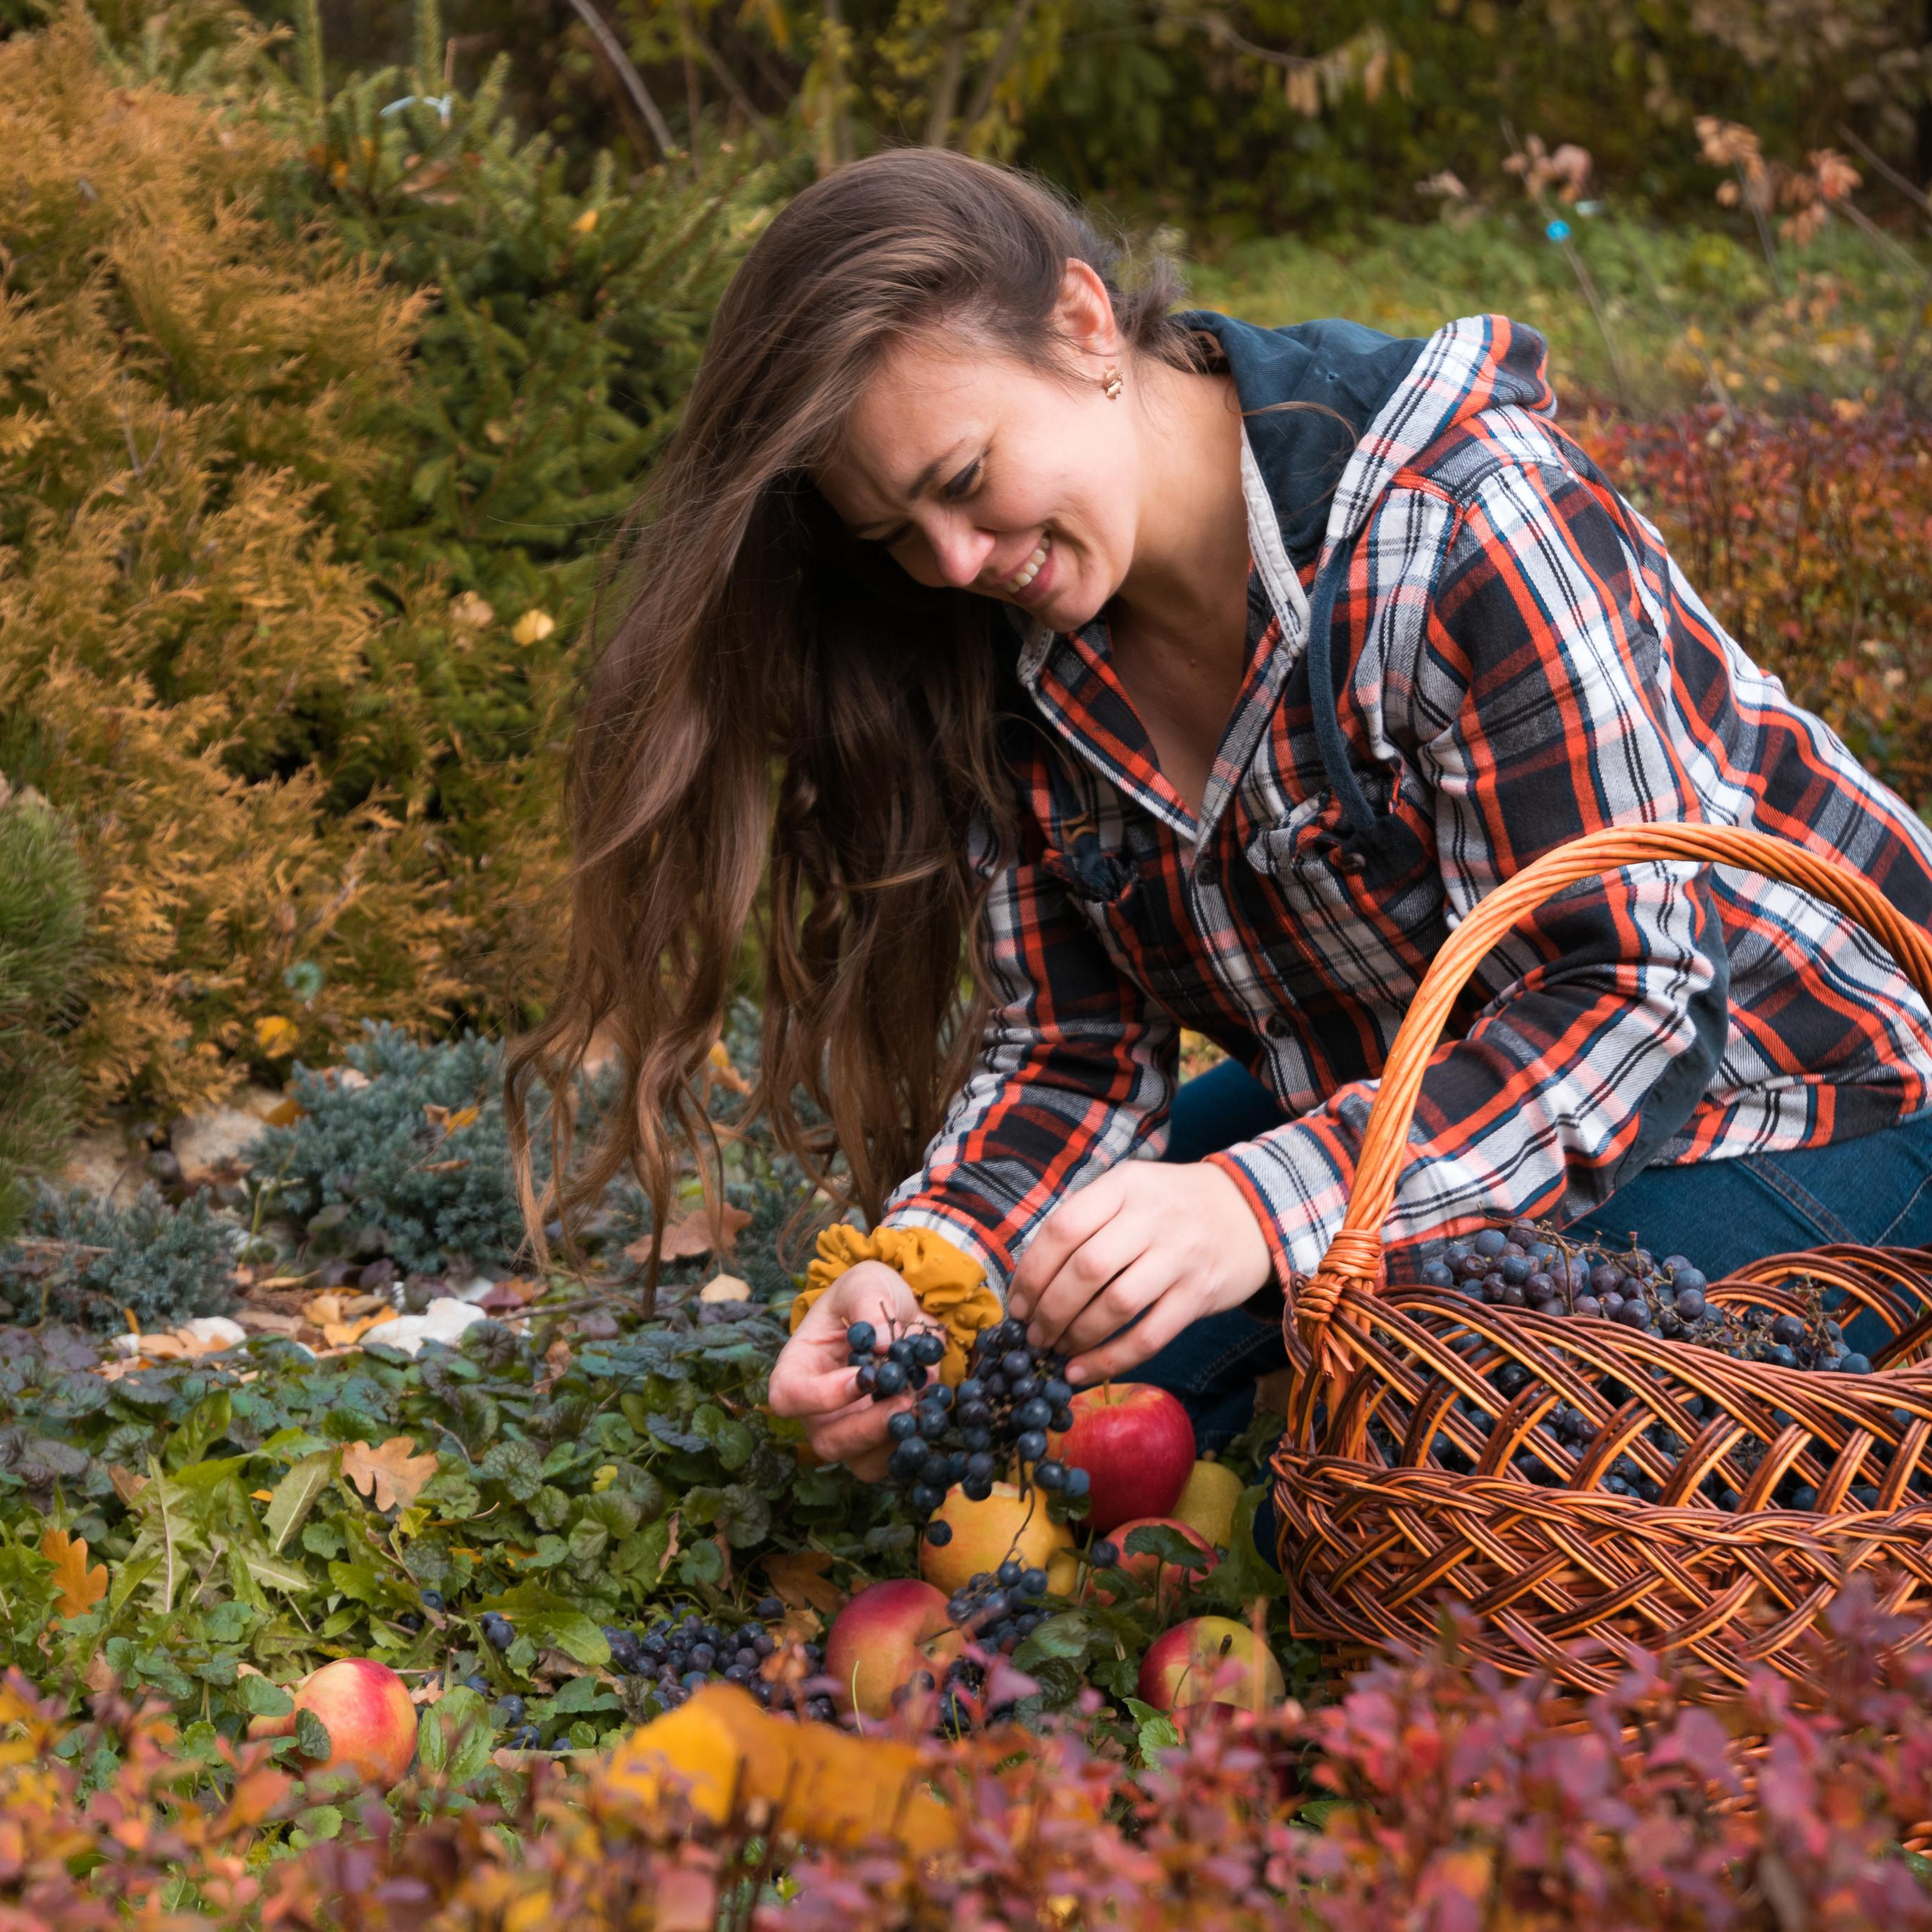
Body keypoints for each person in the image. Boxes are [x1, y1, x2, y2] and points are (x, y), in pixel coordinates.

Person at [505, 149, 1932, 1471]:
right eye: (896, 535)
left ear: (1083, 326)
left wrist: (1258, 1205)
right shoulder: (1016, 645)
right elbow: (1066, 1048)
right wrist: (928, 1269)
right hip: (1421, 1098)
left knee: (1441, 1464)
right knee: (986, 1405)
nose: (953, 562)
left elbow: (1635, 999)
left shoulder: (1459, 521)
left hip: (1808, 1087)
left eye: (965, 483)